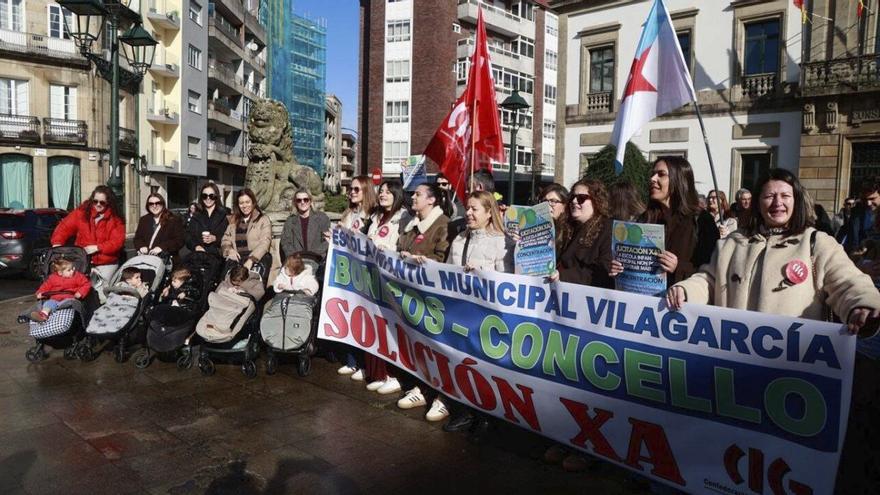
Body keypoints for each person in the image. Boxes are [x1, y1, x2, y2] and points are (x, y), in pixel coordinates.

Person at [668, 169, 880, 495]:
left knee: (784, 457)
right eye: (769, 195)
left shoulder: (816, 243)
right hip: (735, 371)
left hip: (791, 377)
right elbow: (707, 280)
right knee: (738, 446)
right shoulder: (732, 243)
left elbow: (847, 282)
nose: (777, 202)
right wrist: (686, 290)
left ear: (796, 201)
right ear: (757, 202)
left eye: (785, 196)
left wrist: (861, 305)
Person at [442, 190, 513, 432]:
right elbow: (447, 272)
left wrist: (482, 273)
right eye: (467, 208)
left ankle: (485, 418)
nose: (468, 213)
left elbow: (508, 283)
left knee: (483, 368)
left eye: (474, 209)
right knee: (460, 363)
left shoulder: (502, 242)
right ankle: (463, 411)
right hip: (460, 313)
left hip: (487, 317)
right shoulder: (459, 239)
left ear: (489, 212)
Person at [396, 183, 452, 421]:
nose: (413, 198)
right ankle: (420, 385)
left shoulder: (442, 225)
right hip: (412, 293)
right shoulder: (412, 224)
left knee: (431, 344)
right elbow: (401, 247)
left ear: (432, 200)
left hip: (431, 296)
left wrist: (419, 258)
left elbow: (442, 258)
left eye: (418, 194)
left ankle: (434, 392)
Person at [610, 157, 713, 285]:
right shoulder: (645, 218)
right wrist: (619, 268)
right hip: (644, 295)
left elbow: (712, 272)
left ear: (678, 179)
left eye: (661, 174)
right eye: (653, 174)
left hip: (681, 295)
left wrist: (678, 267)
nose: (652, 179)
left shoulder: (702, 221)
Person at [363, 180, 409, 395]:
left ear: (397, 195)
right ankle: (378, 372)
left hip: (390, 278)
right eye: (381, 191)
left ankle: (394, 374)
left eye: (388, 192)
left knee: (389, 325)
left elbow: (402, 246)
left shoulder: (403, 218)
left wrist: (387, 249)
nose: (382, 195)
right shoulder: (375, 217)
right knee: (374, 324)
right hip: (372, 275)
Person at [335, 175, 377, 381]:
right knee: (349, 316)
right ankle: (352, 361)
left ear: (366, 191)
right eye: (350, 189)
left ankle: (364, 364)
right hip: (347, 272)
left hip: (364, 273)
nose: (351, 192)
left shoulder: (372, 216)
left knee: (364, 320)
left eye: (356, 189)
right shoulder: (348, 214)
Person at [51, 185, 125, 284]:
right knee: (76, 286)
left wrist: (97, 247)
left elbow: (117, 242)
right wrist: (57, 243)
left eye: (102, 202)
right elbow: (64, 227)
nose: (98, 204)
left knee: (100, 290)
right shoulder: (81, 213)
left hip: (106, 263)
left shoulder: (116, 219)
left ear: (108, 202)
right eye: (95, 201)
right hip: (82, 260)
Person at [553, 179, 614, 288]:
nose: (574, 201)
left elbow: (603, 271)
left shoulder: (608, 230)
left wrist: (562, 276)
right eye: (572, 197)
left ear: (596, 201)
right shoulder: (568, 227)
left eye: (581, 198)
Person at [221, 188, 272, 271]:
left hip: (255, 260)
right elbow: (225, 240)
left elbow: (265, 243)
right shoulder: (234, 220)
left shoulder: (263, 220)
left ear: (253, 202)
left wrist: (252, 259)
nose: (244, 206)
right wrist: (229, 250)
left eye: (247, 202)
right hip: (237, 259)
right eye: (241, 203)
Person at [280, 189, 331, 261]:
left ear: (310, 201)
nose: (302, 202)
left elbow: (326, 241)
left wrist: (313, 256)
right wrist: (295, 258)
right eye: (299, 200)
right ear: (295, 203)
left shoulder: (322, 218)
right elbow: (285, 242)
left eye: (305, 199)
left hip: (317, 259)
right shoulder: (290, 220)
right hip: (296, 261)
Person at [134, 193, 185, 261]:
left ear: (163, 204)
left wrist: (162, 247)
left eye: (157, 203)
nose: (154, 206)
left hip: (167, 261)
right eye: (151, 204)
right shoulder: (144, 220)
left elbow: (180, 240)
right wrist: (141, 246)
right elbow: (138, 238)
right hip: (147, 259)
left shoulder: (173, 220)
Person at [186, 183, 229, 257]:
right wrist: (196, 246)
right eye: (205, 196)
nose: (208, 198)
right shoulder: (196, 215)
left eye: (211, 196)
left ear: (216, 196)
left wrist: (216, 239)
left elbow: (230, 237)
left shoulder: (224, 214)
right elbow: (188, 237)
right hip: (199, 256)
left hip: (218, 256)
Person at [839, 181, 880, 253]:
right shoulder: (856, 212)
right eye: (865, 199)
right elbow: (851, 236)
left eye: (872, 199)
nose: (868, 203)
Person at [539, 183, 570, 248]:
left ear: (565, 205)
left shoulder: (569, 232)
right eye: (544, 201)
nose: (547, 205)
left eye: (553, 201)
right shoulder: (536, 226)